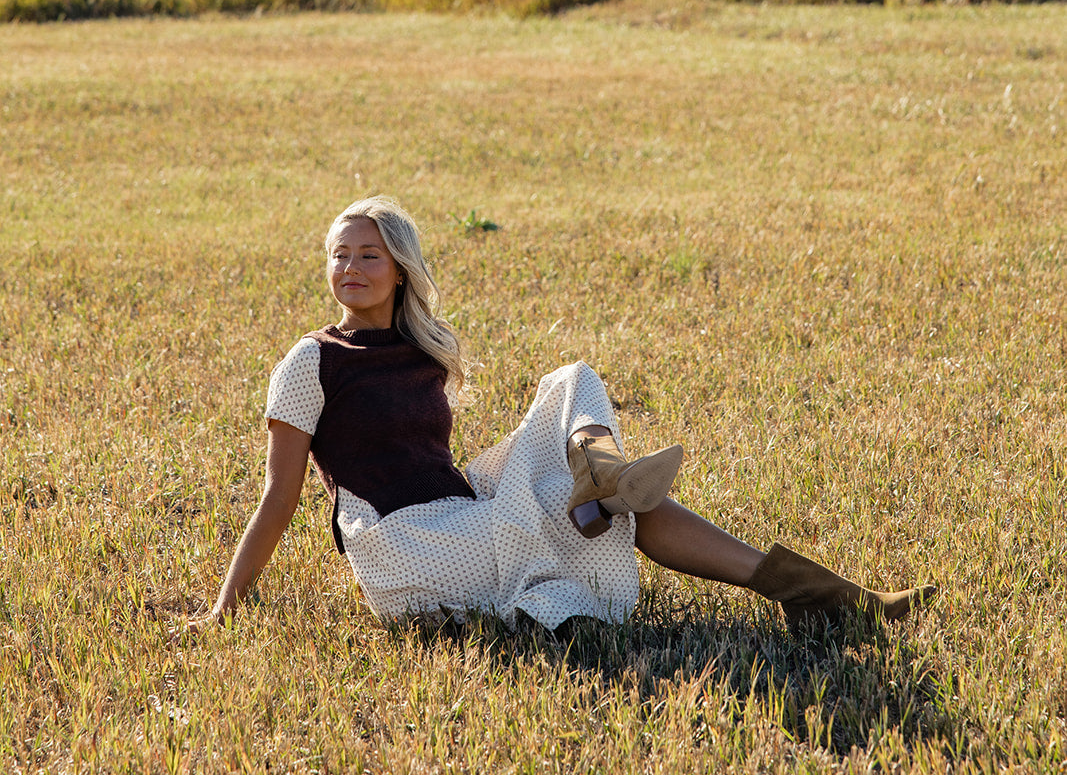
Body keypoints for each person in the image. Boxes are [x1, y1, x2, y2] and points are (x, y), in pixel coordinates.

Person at [196, 196, 936, 633]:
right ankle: (605, 504)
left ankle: (608, 473)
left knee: (572, 381)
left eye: (368, 256)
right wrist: (226, 607)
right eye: (338, 256)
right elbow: (280, 497)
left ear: (400, 269)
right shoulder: (310, 360)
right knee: (590, 515)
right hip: (402, 547)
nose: (349, 270)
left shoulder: (423, 350)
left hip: (461, 510)